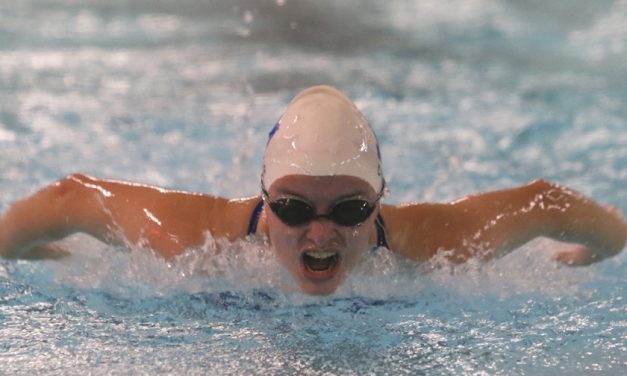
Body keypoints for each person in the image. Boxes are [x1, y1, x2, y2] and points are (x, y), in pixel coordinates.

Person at [0, 85, 625, 295]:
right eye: (294, 207)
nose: (320, 232)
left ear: (380, 199)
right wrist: (23, 253)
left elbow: (549, 202)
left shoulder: (434, 246)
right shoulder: (193, 241)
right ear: (264, 198)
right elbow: (72, 198)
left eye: (350, 209)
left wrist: (593, 253)